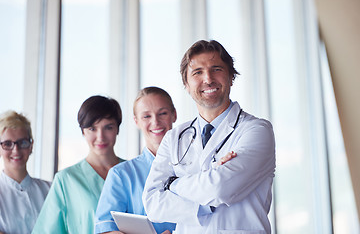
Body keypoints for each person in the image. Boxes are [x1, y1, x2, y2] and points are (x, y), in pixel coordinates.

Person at [142, 40, 276, 234]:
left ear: (231, 77)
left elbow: (220, 188)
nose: (208, 79)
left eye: (216, 69)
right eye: (197, 72)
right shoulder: (174, 138)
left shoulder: (256, 130)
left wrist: (173, 184)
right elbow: (152, 203)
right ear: (186, 85)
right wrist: (211, 181)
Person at [32, 95, 125, 234]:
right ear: (83, 131)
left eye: (108, 127)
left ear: (117, 129)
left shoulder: (133, 172)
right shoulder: (66, 180)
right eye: (92, 129)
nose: (100, 137)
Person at [94, 87, 177, 234]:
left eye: (162, 113)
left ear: (174, 115)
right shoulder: (121, 175)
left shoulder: (195, 167)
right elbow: (105, 229)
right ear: (136, 121)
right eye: (146, 116)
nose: (155, 122)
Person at [0, 110, 51, 234]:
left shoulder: (50, 189)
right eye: (8, 144)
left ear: (31, 145)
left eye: (22, 142)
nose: (16, 150)